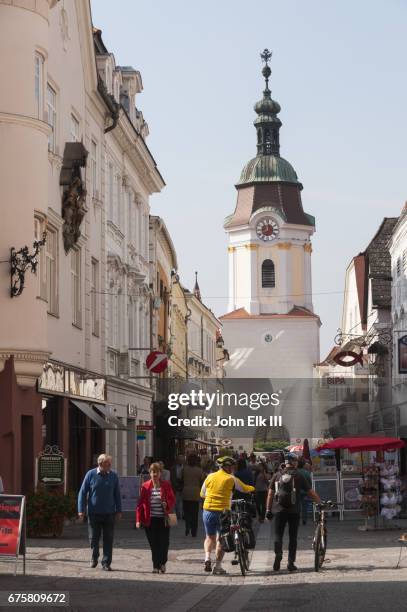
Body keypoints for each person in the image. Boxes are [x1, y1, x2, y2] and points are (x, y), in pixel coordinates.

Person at [266, 453, 320, 572]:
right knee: (293, 537)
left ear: (285, 462)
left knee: (278, 535)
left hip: (279, 509)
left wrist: (268, 510)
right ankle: (291, 562)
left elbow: (270, 494)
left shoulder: (277, 475)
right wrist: (319, 503)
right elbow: (310, 492)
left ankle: (278, 554)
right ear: (295, 462)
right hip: (294, 510)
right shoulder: (299, 475)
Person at [200, 456, 255, 575]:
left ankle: (207, 558)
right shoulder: (231, 478)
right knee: (221, 538)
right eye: (230, 466)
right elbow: (245, 489)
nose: (232, 468)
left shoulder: (209, 476)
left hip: (208, 510)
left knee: (209, 537)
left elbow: (202, 493)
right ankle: (218, 566)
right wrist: (253, 488)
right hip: (223, 512)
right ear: (226, 467)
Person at [78, 453, 122, 571]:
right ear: (101, 464)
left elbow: (117, 494)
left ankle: (106, 562)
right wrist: (81, 511)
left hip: (109, 513)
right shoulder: (90, 474)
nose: (110, 465)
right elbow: (82, 493)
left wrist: (119, 510)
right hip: (94, 513)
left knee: (108, 538)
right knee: (93, 538)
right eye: (108, 463)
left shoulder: (113, 476)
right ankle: (94, 557)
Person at [136, 462, 175, 573]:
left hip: (163, 519)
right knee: (153, 544)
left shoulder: (166, 485)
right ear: (150, 473)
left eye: (157, 472)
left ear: (160, 473)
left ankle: (163, 562)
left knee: (164, 543)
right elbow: (140, 504)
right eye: (153, 472)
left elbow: (172, 499)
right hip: (150, 520)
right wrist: (138, 520)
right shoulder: (145, 486)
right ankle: (155, 566)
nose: (155, 474)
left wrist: (166, 504)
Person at [182, 454, 203, 537]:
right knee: (194, 513)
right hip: (195, 492)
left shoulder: (184, 469)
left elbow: (181, 479)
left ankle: (187, 525)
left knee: (186, 512)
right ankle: (194, 531)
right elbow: (201, 482)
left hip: (186, 491)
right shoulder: (199, 470)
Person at [297, 458, 313, 525]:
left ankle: (296, 519)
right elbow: (310, 484)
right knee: (304, 507)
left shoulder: (295, 472)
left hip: (296, 492)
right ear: (303, 465)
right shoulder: (307, 473)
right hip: (305, 492)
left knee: (297, 506)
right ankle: (304, 520)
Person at [170, 455, 185, 519]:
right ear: (177, 460)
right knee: (175, 503)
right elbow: (172, 478)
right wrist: (175, 485)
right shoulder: (173, 468)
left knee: (182, 503)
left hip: (183, 487)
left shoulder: (185, 468)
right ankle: (176, 517)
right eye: (179, 460)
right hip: (175, 487)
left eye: (181, 460)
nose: (180, 461)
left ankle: (181, 516)